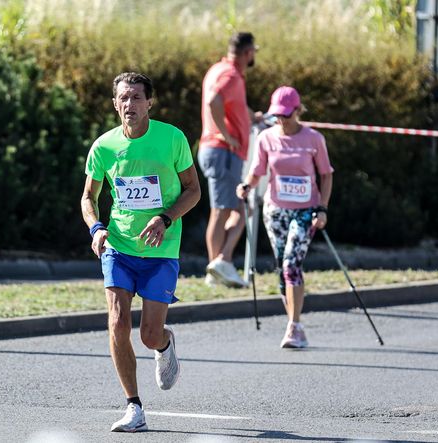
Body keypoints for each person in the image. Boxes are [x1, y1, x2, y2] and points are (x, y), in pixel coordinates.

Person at [81, 72, 201, 432]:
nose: (129, 104)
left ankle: (164, 345)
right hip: (118, 247)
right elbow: (89, 196)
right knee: (117, 323)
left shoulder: (171, 138)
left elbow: (193, 190)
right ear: (115, 103)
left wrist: (165, 218)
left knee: (149, 333)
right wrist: (96, 227)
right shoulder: (104, 146)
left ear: (150, 102)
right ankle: (134, 406)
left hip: (161, 248)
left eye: (136, 97)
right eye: (123, 98)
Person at [236, 86, 334, 348]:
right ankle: (293, 322)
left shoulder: (314, 139)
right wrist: (246, 185)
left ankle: (294, 326)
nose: (281, 120)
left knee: (292, 264)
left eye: (286, 115)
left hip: (305, 210)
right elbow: (257, 171)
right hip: (275, 210)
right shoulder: (266, 137)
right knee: (282, 269)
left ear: (298, 111)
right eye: (277, 115)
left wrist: (322, 208)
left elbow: (326, 174)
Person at [198, 31, 261, 288]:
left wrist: (250, 116)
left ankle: (220, 263)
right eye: (254, 52)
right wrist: (227, 135)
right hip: (223, 151)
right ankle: (217, 266)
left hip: (219, 151)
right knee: (223, 212)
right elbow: (214, 101)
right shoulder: (231, 75)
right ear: (247, 53)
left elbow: (232, 105)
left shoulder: (219, 69)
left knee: (241, 208)